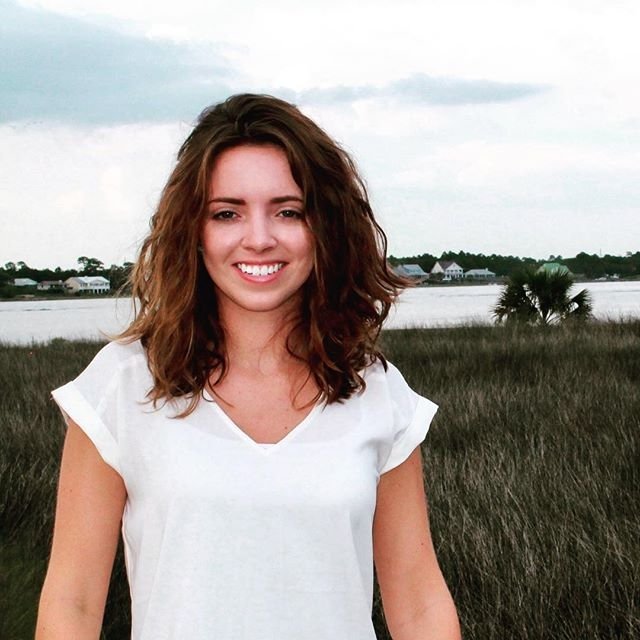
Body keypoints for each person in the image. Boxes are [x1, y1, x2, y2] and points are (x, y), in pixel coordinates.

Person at [36, 94, 461, 639]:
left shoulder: (376, 391)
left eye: (288, 211)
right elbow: (71, 603)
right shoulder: (121, 384)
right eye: (227, 213)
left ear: (325, 227)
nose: (258, 238)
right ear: (194, 230)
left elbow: (420, 605)